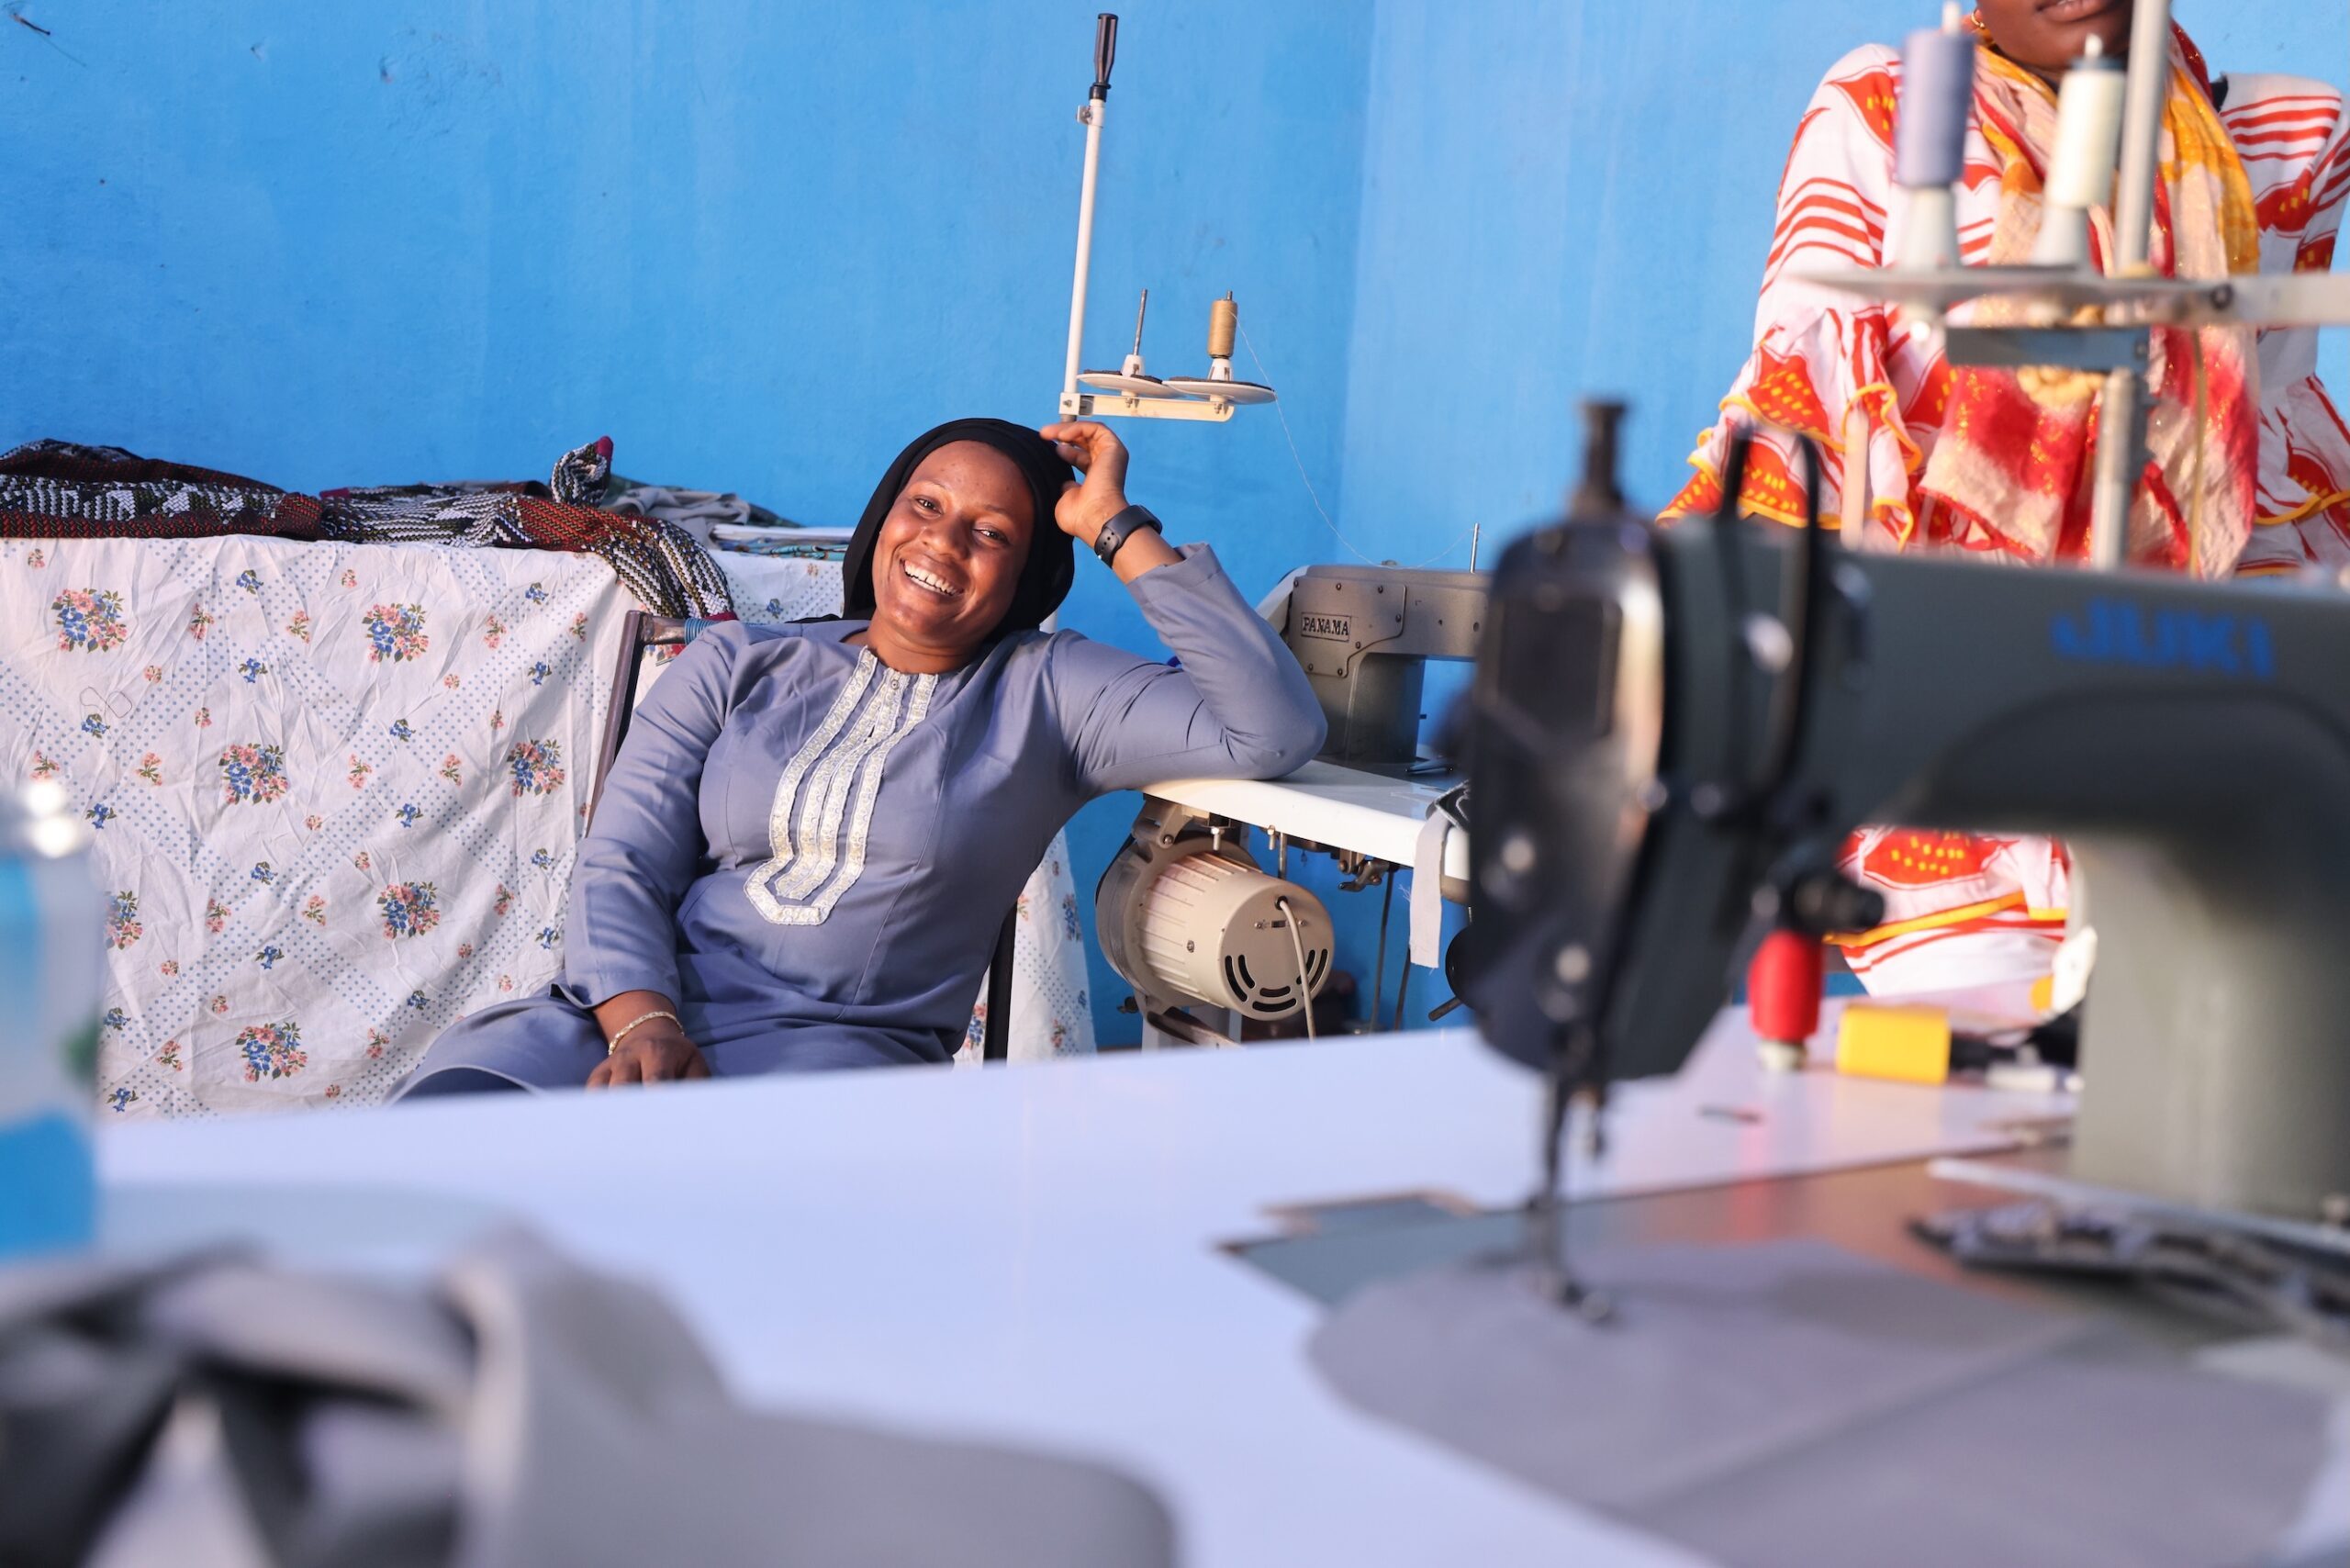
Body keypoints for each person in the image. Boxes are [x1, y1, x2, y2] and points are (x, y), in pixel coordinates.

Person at [1663, 2, 2350, 992]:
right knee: (1995, 1107)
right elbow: (1811, 411)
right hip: (1951, 742)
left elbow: (2260, 472)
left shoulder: (2283, 143)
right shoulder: (1886, 113)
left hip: (2186, 735)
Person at [399, 418, 1324, 1092]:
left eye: (991, 533)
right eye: (926, 505)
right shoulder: (735, 661)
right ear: (885, 517)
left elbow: (1272, 728)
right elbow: (623, 862)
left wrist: (1115, 523)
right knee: (448, 1137)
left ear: (1031, 568)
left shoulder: (1052, 694)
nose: (943, 542)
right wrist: (642, 1023)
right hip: (625, 1017)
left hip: (832, 1061)